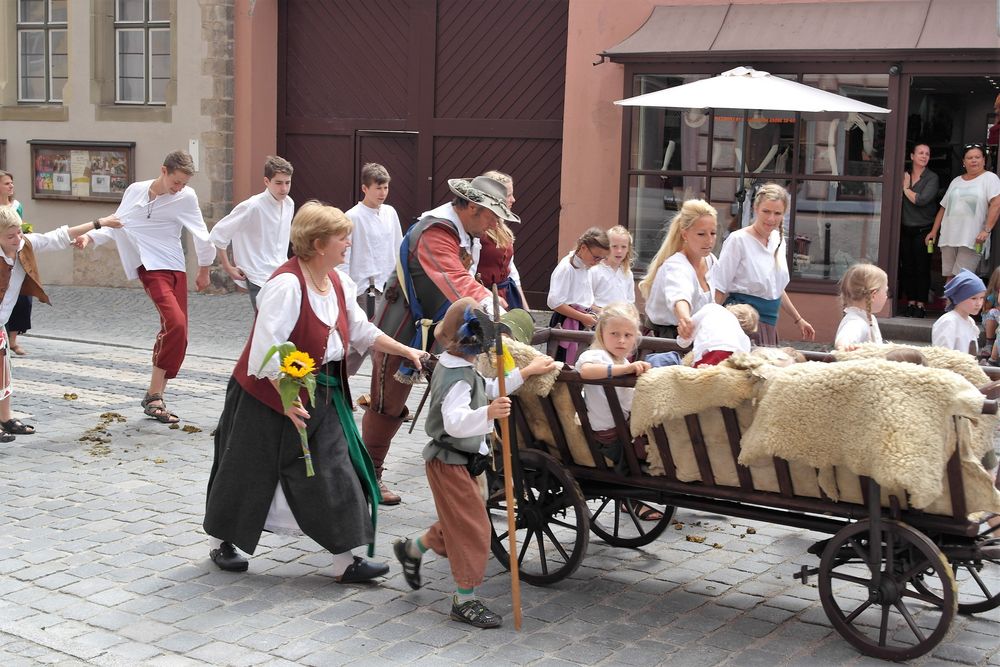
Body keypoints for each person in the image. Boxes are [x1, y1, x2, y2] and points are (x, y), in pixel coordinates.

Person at [203, 201, 426, 579]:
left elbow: (360, 330)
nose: (349, 245)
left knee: (336, 470)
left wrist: (405, 349)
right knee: (247, 469)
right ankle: (223, 541)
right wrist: (286, 402)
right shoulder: (286, 285)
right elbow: (264, 350)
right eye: (343, 238)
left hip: (322, 395)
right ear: (319, 244)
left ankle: (345, 561)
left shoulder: (338, 281)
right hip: (265, 396)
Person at [392, 297, 555, 628]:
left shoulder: (460, 367)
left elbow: (489, 387)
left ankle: (413, 548)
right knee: (475, 529)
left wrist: (525, 371)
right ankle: (463, 600)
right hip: (449, 462)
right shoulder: (456, 378)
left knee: (461, 521)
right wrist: (489, 414)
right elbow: (454, 421)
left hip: (464, 461)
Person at [364, 176, 520, 505]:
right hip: (405, 328)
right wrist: (494, 309)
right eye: (492, 215)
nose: (494, 224)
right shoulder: (435, 231)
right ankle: (368, 476)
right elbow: (455, 279)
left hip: (450, 330)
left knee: (472, 394)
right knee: (387, 405)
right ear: (473, 208)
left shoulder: (469, 231)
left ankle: (481, 472)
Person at [75, 150, 216, 424]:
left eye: (184, 184)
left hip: (175, 265)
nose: (179, 188)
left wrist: (204, 269)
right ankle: (154, 395)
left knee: (181, 331)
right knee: (174, 323)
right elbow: (118, 223)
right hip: (149, 266)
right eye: (176, 182)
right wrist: (89, 238)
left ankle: (156, 396)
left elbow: (201, 233)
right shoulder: (136, 191)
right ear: (163, 171)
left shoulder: (186, 197)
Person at [0, 207, 122, 439]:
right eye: (10, 236)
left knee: (3, 373)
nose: (17, 239)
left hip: (1, 322)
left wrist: (99, 223)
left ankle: (5, 418)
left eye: (18, 233)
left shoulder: (24, 244)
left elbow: (58, 236)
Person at [713, 183, 816, 345]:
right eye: (766, 211)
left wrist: (798, 319)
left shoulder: (778, 240)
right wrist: (709, 325)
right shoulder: (738, 240)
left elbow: (776, 288)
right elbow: (719, 287)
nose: (771, 218)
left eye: (777, 213)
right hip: (742, 325)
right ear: (755, 208)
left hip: (769, 325)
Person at [210, 156, 294, 312]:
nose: (283, 188)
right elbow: (219, 234)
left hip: (281, 274)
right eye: (278, 183)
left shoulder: (289, 204)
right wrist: (228, 267)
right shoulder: (252, 206)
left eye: (287, 183)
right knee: (267, 324)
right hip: (257, 275)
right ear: (266, 182)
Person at [576, 302, 651, 473]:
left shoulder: (623, 361)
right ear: (602, 333)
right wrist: (625, 370)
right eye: (614, 334)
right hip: (609, 436)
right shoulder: (596, 355)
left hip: (624, 428)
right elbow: (586, 371)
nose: (621, 340)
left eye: (628, 335)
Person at [639, 200, 718, 340]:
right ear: (685, 234)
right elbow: (679, 296)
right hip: (666, 340)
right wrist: (684, 319)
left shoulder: (711, 261)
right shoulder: (675, 266)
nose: (709, 240)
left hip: (700, 336)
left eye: (713, 233)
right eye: (701, 234)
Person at [925, 144, 1000, 279]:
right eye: (969, 158)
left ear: (984, 160)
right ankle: (949, 301)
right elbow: (943, 207)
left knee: (962, 279)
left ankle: (960, 301)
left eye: (977, 157)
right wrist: (933, 231)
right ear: (964, 162)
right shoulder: (956, 181)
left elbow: (996, 204)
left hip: (972, 238)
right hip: (949, 237)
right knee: (949, 277)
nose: (974, 160)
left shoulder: (990, 178)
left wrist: (986, 230)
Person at [341, 163, 403, 316]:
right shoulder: (352, 216)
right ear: (365, 189)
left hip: (390, 288)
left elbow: (398, 248)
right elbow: (344, 256)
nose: (382, 193)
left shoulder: (390, 212)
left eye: (385, 188)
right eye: (378, 188)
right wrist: (345, 291)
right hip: (364, 290)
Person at [546, 227, 609, 364]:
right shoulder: (566, 268)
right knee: (563, 366)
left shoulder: (585, 265)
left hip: (582, 319)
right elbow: (554, 303)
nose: (598, 262)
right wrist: (582, 317)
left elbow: (583, 299)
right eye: (596, 257)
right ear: (584, 248)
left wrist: (600, 310)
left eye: (602, 259)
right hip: (566, 322)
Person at [469, 170, 528, 309]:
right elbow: (468, 273)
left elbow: (511, 270)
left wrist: (525, 307)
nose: (513, 199)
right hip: (484, 298)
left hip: (507, 295)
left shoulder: (501, 227)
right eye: (509, 195)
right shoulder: (477, 229)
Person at [898, 144, 939, 318]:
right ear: (912, 156)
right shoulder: (904, 175)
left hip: (924, 229)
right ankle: (911, 302)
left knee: (922, 267)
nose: (924, 156)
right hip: (905, 228)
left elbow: (921, 200)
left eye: (927, 154)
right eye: (920, 153)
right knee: (907, 267)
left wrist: (906, 189)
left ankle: (921, 304)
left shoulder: (932, 178)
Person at [0, 170, 31, 356]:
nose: (11, 186)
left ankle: (13, 339)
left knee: (23, 299)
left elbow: (20, 226)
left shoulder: (16, 205)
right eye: (6, 183)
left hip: (18, 255)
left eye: (11, 183)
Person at [676, 303, 758, 368]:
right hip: (733, 359)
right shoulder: (744, 337)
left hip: (712, 351)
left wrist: (681, 341)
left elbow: (689, 328)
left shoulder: (712, 308)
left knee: (698, 383)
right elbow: (744, 356)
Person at [834, 264, 888, 350]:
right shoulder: (857, 322)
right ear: (873, 295)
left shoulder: (867, 318)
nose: (886, 296)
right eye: (885, 291)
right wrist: (844, 346)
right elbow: (844, 339)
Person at [931, 268, 985, 355]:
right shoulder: (948, 322)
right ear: (960, 298)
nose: (979, 303)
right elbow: (942, 356)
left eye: (982, 298)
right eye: (973, 298)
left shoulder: (970, 321)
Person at [591, 225, 636, 308]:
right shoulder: (594, 271)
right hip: (600, 318)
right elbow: (586, 303)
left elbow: (630, 302)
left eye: (623, 247)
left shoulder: (627, 273)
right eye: (614, 246)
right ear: (606, 247)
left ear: (628, 249)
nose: (619, 251)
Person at [983, 267, 1000, 364]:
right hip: (991, 320)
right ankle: (989, 343)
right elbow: (986, 310)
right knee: (993, 312)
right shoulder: (993, 295)